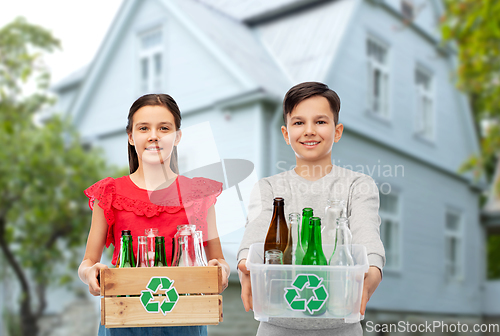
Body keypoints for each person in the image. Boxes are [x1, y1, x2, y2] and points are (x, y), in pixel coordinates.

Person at [237, 82, 385, 336]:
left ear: (337, 131)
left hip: (341, 326)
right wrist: (245, 261)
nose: (309, 131)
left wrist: (373, 269)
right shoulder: (269, 188)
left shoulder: (358, 185)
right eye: (298, 123)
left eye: (320, 122)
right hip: (277, 326)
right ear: (285, 134)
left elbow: (366, 231)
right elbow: (257, 233)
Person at [78, 93, 230, 336]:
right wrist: (90, 274)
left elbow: (219, 260)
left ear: (177, 136)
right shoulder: (110, 193)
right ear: (131, 136)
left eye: (164, 128)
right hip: (124, 317)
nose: (153, 136)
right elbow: (87, 262)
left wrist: (221, 271)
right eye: (143, 128)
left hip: (185, 319)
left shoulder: (198, 194)